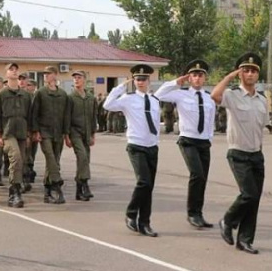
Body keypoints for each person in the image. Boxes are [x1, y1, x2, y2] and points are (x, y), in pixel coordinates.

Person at [211, 52, 267, 254]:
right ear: (240, 73)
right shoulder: (232, 95)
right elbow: (215, 95)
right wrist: (229, 77)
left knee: (254, 199)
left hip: (256, 155)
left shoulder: (262, 100)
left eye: (253, 71)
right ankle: (227, 220)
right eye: (246, 71)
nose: (250, 74)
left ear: (258, 75)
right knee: (249, 194)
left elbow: (261, 127)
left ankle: (245, 240)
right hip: (238, 153)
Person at [155, 59, 216, 229]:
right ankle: (192, 213)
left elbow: (211, 120)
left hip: (204, 142)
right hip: (188, 140)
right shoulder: (180, 94)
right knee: (196, 174)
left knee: (203, 178)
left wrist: (209, 138)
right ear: (189, 78)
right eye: (194, 75)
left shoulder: (209, 97)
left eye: (200, 75)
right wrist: (175, 82)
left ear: (205, 78)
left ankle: (199, 213)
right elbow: (158, 95)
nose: (197, 78)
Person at [103, 64, 161, 237]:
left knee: (149, 186)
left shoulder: (155, 100)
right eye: (137, 79)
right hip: (136, 145)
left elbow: (156, 122)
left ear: (149, 81)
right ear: (133, 81)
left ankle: (145, 223)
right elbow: (108, 104)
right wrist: (120, 86)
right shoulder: (127, 98)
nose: (140, 82)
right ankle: (131, 212)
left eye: (143, 79)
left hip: (152, 146)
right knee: (143, 181)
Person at [0, 62, 32, 208]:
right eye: (11, 69)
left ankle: (15, 191)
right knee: (15, 157)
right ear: (6, 74)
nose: (15, 72)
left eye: (16, 69)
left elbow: (30, 115)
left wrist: (29, 133)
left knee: (20, 162)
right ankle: (14, 192)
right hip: (7, 133)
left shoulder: (26, 95)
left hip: (22, 132)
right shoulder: (1, 94)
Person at [31, 65, 69, 204]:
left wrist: (66, 134)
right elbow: (34, 113)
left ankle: (47, 191)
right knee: (51, 158)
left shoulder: (63, 94)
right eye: (45, 73)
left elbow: (66, 116)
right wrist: (35, 131)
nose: (46, 76)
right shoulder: (40, 93)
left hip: (58, 132)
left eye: (49, 73)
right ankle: (57, 185)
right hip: (44, 132)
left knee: (55, 161)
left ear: (56, 75)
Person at [64, 70, 97, 201]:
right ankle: (85, 184)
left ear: (85, 80)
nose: (76, 80)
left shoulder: (91, 98)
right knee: (82, 156)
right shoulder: (70, 97)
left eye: (79, 77)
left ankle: (79, 190)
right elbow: (66, 118)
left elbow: (93, 117)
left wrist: (93, 134)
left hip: (87, 132)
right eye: (74, 78)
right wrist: (66, 136)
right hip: (74, 132)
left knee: (85, 160)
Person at [25, 79, 39, 183]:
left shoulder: (37, 98)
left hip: (35, 129)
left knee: (33, 152)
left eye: (29, 85)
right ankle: (27, 172)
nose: (27, 87)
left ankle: (31, 168)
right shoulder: (25, 98)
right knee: (27, 152)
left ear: (34, 87)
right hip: (26, 130)